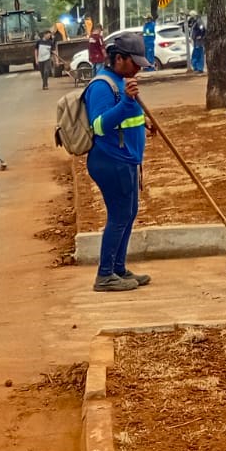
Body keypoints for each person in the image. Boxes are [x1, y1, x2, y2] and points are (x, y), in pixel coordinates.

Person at [84, 32, 151, 293]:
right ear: (119, 59)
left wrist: (142, 123)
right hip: (111, 162)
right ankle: (104, 275)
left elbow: (127, 118)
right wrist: (126, 101)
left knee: (129, 213)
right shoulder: (103, 85)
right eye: (133, 62)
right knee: (119, 215)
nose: (137, 68)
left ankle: (118, 268)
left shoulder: (123, 81)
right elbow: (99, 125)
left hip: (126, 161)